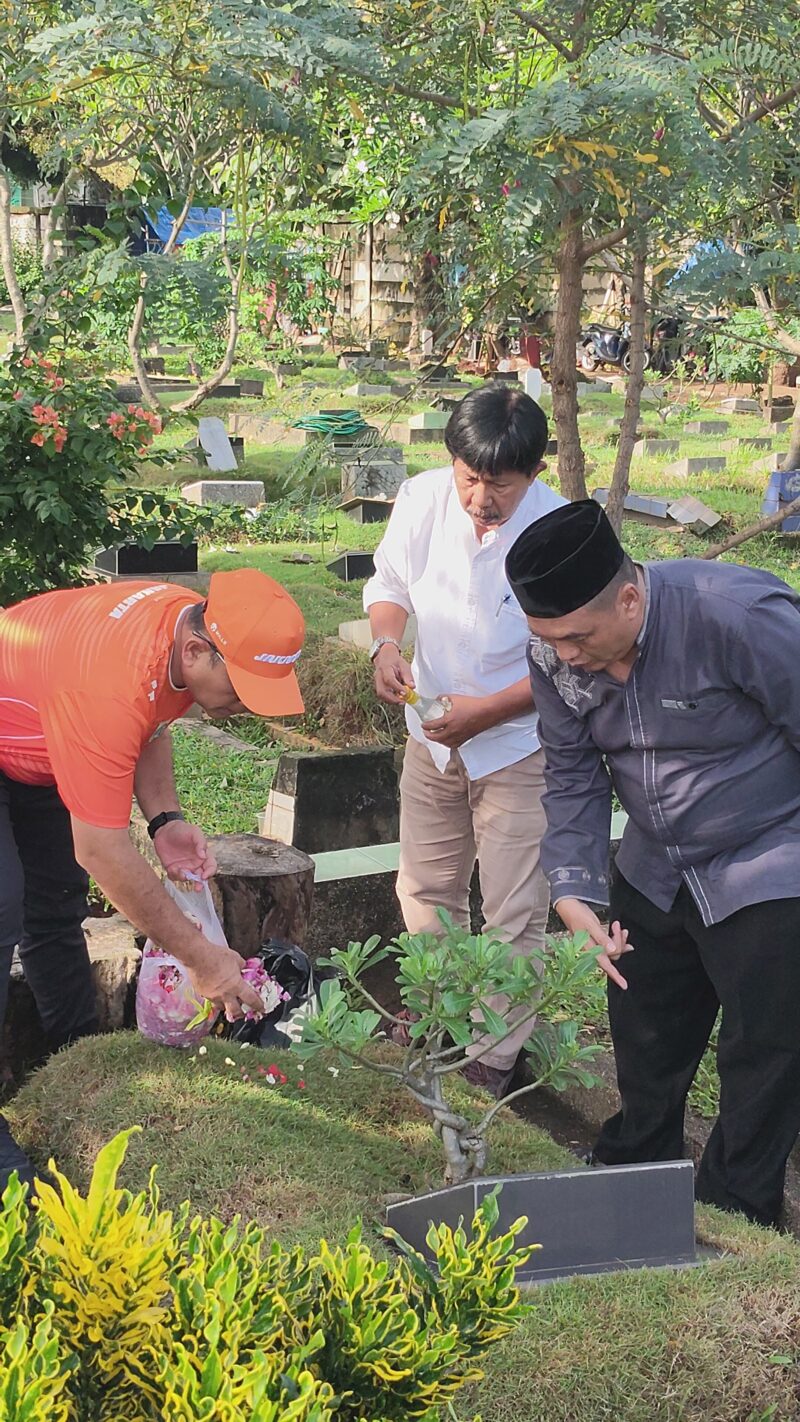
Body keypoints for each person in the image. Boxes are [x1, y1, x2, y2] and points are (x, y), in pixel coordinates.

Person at [505, 498, 800, 1226]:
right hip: (653, 865)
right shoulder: (553, 652)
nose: (564, 656)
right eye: (548, 640)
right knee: (646, 1034)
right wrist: (572, 892)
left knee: (764, 1049)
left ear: (630, 600)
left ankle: (735, 1208)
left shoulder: (737, 616)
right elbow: (572, 775)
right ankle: (634, 1175)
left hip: (766, 858)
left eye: (577, 637)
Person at [0, 567, 304, 1182]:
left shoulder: (186, 620)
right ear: (196, 651)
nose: (246, 705)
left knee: (56, 906)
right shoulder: (105, 685)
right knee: (3, 906)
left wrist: (165, 819)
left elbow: (154, 717)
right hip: (34, 721)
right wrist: (202, 958)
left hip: (43, 741)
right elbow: (103, 852)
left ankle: (79, 1060)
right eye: (241, 686)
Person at [363, 382, 564, 1099]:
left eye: (500, 485)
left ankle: (492, 1057)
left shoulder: (558, 530)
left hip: (519, 746)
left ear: (534, 473)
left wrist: (488, 713)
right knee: (425, 886)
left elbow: (573, 654)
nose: (481, 498)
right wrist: (387, 645)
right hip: (432, 736)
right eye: (469, 478)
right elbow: (390, 585)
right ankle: (435, 1013)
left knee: (514, 908)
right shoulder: (421, 501)